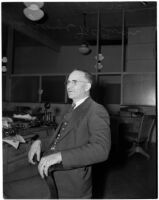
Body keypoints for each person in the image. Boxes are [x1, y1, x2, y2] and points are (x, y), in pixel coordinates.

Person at [28, 69, 111, 199]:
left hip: (70, 183)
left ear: (87, 86)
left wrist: (60, 156)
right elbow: (60, 137)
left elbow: (101, 149)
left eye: (74, 82)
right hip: (50, 172)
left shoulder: (96, 110)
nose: (68, 86)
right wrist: (40, 142)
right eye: (68, 82)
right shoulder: (73, 108)